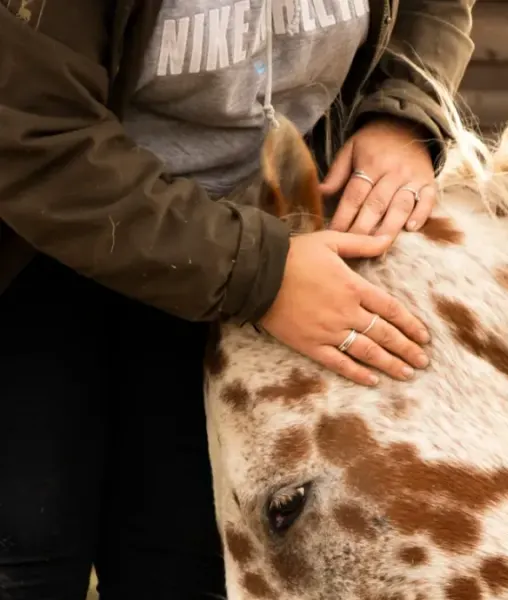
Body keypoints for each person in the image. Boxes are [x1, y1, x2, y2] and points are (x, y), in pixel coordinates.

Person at [0, 0, 475, 598]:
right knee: (23, 562)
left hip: (259, 264)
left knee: (195, 568)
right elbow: (29, 133)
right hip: (30, 252)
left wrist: (402, 111)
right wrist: (262, 273)